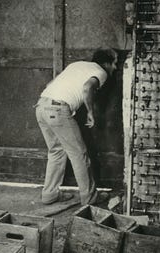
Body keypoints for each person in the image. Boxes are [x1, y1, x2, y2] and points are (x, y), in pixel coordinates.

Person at [35, 48, 118, 205]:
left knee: (56, 152)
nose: (116, 67)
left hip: (41, 106)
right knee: (79, 154)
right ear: (106, 63)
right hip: (58, 109)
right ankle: (89, 198)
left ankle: (49, 195)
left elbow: (49, 84)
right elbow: (87, 88)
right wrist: (90, 112)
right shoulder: (101, 72)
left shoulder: (76, 65)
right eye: (114, 63)